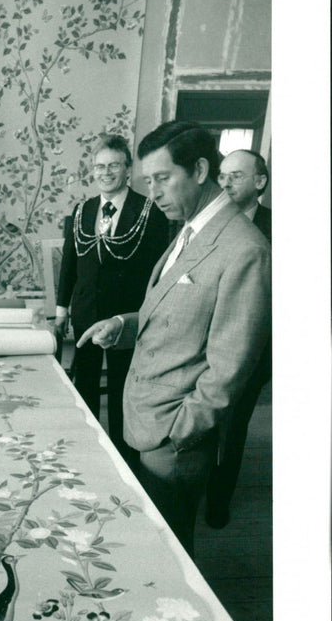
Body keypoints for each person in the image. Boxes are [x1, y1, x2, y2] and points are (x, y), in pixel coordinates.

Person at [76, 122, 271, 557]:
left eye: (163, 178)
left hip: (174, 441)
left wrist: (178, 435)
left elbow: (230, 369)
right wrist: (124, 326)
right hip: (146, 421)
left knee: (168, 555)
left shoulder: (245, 249)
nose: (155, 191)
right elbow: (172, 311)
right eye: (149, 181)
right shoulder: (189, 229)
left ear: (200, 169)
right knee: (151, 542)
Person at [54, 134, 169, 466]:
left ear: (128, 169)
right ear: (93, 171)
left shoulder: (150, 213)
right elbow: (70, 264)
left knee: (123, 388)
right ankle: (90, 449)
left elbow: (157, 273)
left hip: (126, 317)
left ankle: (124, 459)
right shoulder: (82, 210)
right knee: (85, 382)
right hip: (86, 313)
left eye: (114, 165)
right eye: (100, 166)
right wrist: (63, 310)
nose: (106, 172)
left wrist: (146, 317)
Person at [204, 149, 272, 527]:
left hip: (251, 353)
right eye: (223, 175)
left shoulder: (276, 230)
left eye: (236, 176)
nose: (225, 183)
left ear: (259, 182)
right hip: (207, 346)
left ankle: (218, 502)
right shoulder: (211, 225)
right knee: (205, 423)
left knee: (232, 430)